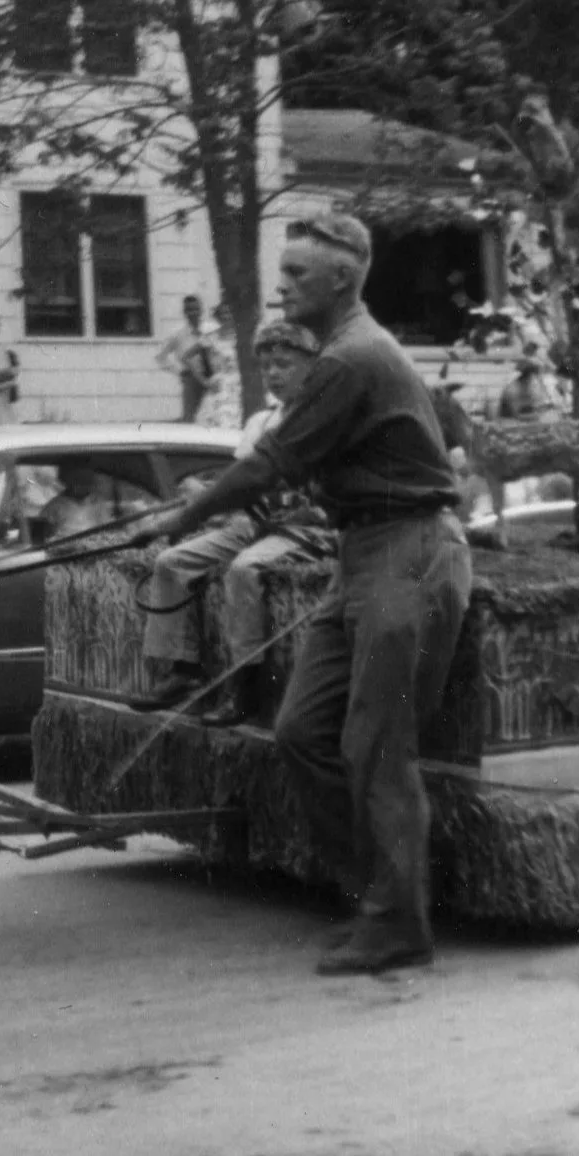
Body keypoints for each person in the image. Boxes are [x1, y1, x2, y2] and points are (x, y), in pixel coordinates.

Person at [133, 211, 471, 976]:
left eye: (295, 275)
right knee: (300, 731)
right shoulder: (342, 356)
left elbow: (268, 465)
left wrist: (179, 516)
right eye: (281, 272)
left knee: (377, 745)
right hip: (361, 554)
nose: (280, 287)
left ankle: (399, 923)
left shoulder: (352, 359)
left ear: (343, 279)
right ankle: (377, 893)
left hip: (408, 553)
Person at [140, 320, 330, 718]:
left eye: (285, 364)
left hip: (306, 527)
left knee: (244, 570)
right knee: (169, 563)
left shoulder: (323, 418)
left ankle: (246, 684)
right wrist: (205, 493)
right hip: (254, 523)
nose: (274, 374)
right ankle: (182, 669)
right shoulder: (259, 422)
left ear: (312, 367)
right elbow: (241, 481)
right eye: (266, 367)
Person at [156, 294, 212, 422]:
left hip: (212, 377)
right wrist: (179, 371)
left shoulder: (210, 329)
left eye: (196, 309)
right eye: (190, 309)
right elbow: (160, 357)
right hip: (191, 378)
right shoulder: (178, 334)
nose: (193, 313)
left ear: (201, 310)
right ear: (184, 312)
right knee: (190, 417)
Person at [197, 302, 243, 430]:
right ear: (217, 316)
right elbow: (190, 357)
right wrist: (204, 381)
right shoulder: (210, 337)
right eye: (223, 313)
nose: (226, 316)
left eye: (229, 313)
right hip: (220, 383)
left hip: (239, 383)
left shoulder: (242, 336)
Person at [36, 462, 109, 542]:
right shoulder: (53, 507)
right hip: (65, 551)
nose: (85, 485)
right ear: (68, 481)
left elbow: (107, 531)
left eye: (88, 480)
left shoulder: (98, 503)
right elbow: (42, 537)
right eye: (80, 480)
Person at [498, 350, 558, 421]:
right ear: (529, 377)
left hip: (523, 422)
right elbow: (517, 415)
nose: (538, 380)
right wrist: (539, 413)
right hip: (509, 423)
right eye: (535, 377)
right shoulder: (512, 390)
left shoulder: (529, 387)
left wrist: (545, 408)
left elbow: (533, 406)